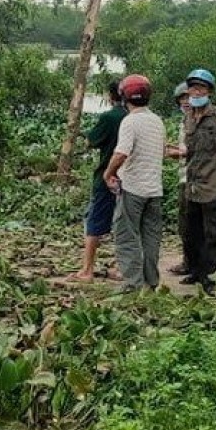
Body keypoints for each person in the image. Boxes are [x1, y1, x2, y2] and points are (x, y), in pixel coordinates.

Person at [103, 74, 166, 293]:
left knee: (126, 236)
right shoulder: (157, 121)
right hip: (154, 190)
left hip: (132, 188)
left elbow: (121, 153)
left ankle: (132, 284)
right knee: (151, 238)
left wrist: (108, 173)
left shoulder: (130, 121)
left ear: (123, 96)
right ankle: (151, 282)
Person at [179, 68, 216, 293]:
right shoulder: (188, 117)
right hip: (192, 182)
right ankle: (194, 270)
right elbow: (189, 150)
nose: (196, 91)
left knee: (213, 232)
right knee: (191, 231)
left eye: (201, 87)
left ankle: (208, 274)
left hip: (214, 182)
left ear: (210, 91)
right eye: (193, 87)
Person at [68, 81, 127, 282]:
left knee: (94, 222)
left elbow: (91, 141)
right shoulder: (136, 117)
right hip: (130, 179)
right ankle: (122, 268)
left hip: (107, 177)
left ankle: (87, 270)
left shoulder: (109, 117)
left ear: (111, 96)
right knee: (125, 223)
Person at [165, 82, 193, 275]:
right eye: (181, 99)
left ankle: (192, 264)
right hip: (184, 175)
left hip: (194, 179)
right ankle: (189, 261)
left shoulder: (199, 121)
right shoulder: (184, 121)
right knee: (184, 223)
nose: (185, 102)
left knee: (190, 223)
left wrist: (175, 153)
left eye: (188, 98)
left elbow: (194, 151)